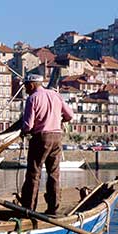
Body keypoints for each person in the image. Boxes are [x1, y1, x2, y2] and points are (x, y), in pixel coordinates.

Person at [19, 74, 74, 215]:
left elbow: (28, 125)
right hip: (57, 137)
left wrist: (23, 131)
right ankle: (53, 208)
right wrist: (58, 119)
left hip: (41, 138)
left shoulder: (33, 98)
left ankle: (29, 209)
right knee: (54, 174)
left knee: (34, 173)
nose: (25, 89)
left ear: (31, 85)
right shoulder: (55, 95)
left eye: (25, 86)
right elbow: (69, 115)